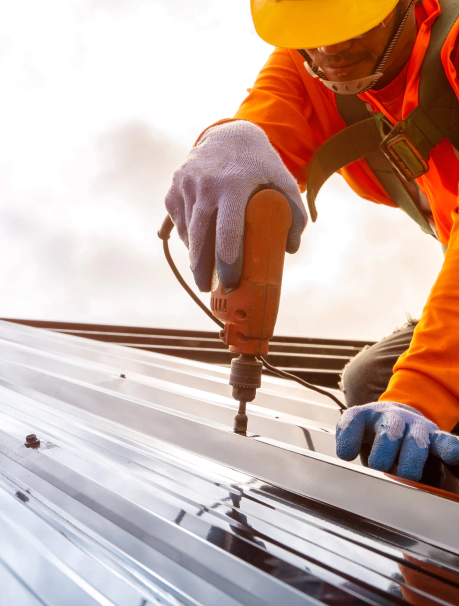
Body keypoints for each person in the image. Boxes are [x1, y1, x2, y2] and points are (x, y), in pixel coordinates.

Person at [164, 0, 459, 482]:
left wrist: (424, 392)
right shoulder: (314, 57)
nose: (330, 50)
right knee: (370, 380)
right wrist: (233, 142)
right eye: (314, 35)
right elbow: (271, 122)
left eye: (352, 26)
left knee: (416, 403)